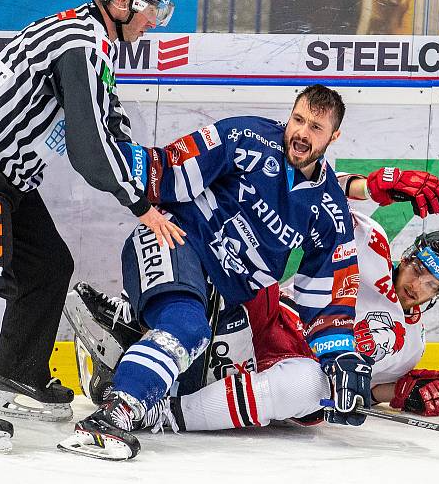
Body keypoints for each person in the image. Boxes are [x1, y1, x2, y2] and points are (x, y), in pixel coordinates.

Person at [0, 0, 183, 453]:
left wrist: (153, 176)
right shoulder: (81, 44)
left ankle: (19, 375)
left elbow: (110, 124)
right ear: (122, 2)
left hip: (3, 177)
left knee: (48, 265)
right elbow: (87, 147)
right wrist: (139, 204)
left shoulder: (92, 41)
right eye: (151, 9)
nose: (155, 21)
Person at [57, 84, 368, 461]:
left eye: (315, 127)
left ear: (333, 136)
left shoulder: (330, 210)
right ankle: (112, 416)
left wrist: (343, 360)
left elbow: (329, 295)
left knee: (182, 388)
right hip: (175, 239)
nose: (302, 132)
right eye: (298, 119)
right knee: (185, 328)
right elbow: (170, 166)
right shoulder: (245, 136)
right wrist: (114, 154)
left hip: (226, 297)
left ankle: (125, 330)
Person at [69, 168, 439, 434]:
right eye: (418, 268)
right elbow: (317, 191)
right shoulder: (371, 242)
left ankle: (167, 417)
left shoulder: (412, 347)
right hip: (274, 316)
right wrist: (368, 185)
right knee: (229, 261)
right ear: (408, 256)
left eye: (433, 283)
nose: (417, 284)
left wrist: (395, 395)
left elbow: (363, 392)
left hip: (298, 366)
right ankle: (134, 320)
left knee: (308, 386)